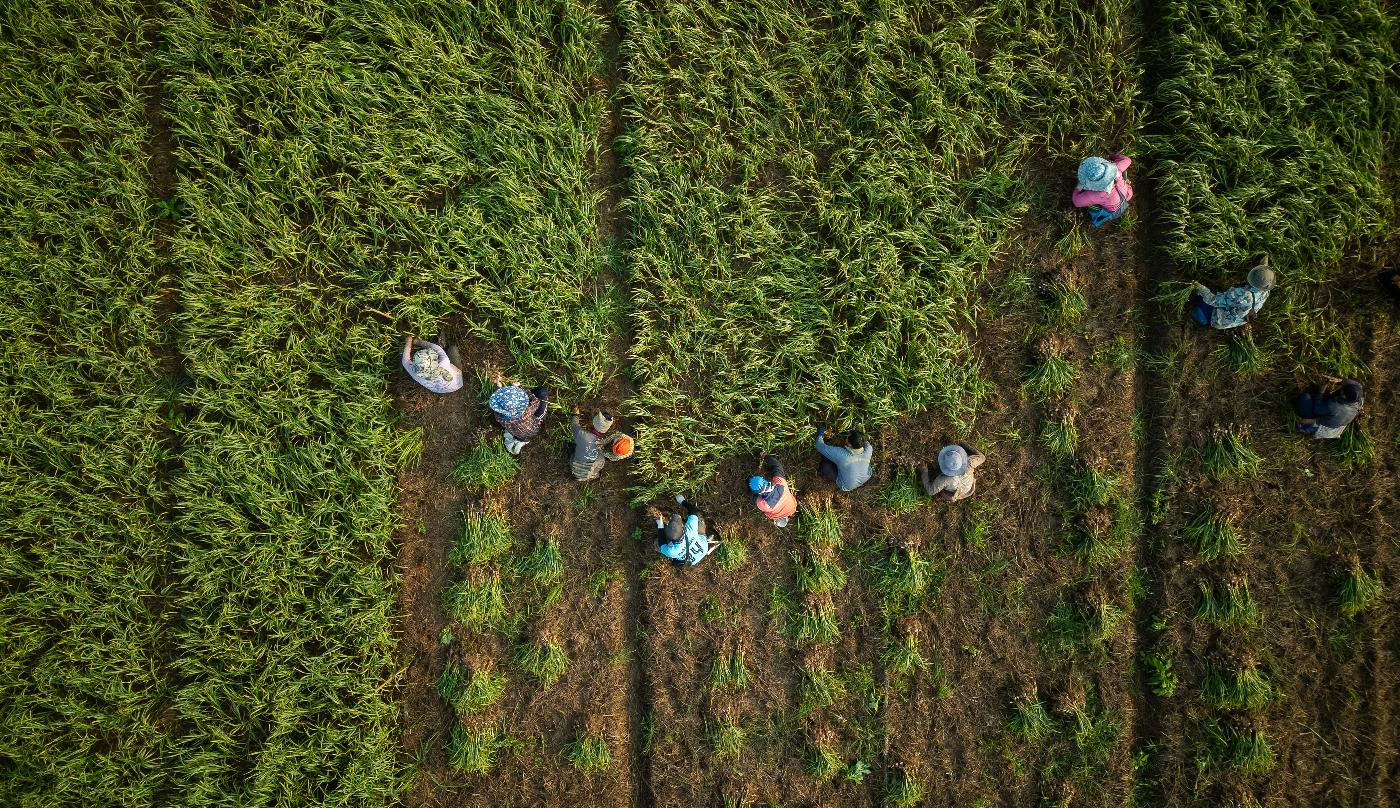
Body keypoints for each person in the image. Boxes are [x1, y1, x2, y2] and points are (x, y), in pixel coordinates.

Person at [1188, 259, 1276, 331]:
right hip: (1238, 319)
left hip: (1220, 319)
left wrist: (1199, 287)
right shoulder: (1266, 290)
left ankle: (1204, 319)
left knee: (1200, 299)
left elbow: (1212, 300)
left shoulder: (1242, 294)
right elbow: (1263, 277)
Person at [649, 496, 719, 567]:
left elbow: (661, 543)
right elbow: (693, 511)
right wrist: (683, 501)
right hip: (703, 547)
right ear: (682, 526)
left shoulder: (671, 551)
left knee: (656, 544)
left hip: (693, 559)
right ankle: (705, 536)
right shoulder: (691, 529)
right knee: (698, 518)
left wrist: (660, 526)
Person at [1072, 154, 1134, 227]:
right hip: (1127, 194)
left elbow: (1076, 202)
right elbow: (1127, 160)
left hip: (1114, 211)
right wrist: (1111, 156)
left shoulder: (1096, 194)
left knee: (1091, 203)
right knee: (1124, 172)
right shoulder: (1116, 169)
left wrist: (1078, 187)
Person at [488, 382, 549, 455]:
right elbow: (536, 401)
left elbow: (501, 403)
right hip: (534, 429)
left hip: (519, 435)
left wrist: (499, 388)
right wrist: (520, 386)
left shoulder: (499, 417)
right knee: (542, 390)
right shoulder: (527, 411)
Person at [1294, 377, 1364, 440]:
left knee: (1304, 397)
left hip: (1323, 424)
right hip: (1337, 419)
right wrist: (1340, 381)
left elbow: (1317, 409)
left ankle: (1306, 427)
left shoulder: (1336, 407)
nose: (1341, 390)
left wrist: (1321, 391)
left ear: (1345, 397)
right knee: (1331, 400)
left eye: (1343, 392)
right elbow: (1358, 385)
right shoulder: (1358, 400)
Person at [917, 443, 987, 502]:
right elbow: (982, 457)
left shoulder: (945, 480)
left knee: (933, 477)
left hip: (962, 491)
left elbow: (930, 491)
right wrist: (964, 444)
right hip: (968, 484)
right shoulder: (970, 462)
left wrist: (924, 472)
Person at [815, 427, 873, 493]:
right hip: (865, 477)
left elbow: (819, 445)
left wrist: (820, 435)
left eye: (847, 437)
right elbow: (865, 441)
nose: (846, 437)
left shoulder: (842, 455)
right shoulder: (869, 449)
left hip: (847, 486)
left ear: (850, 445)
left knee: (825, 466)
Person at [749, 453, 798, 528]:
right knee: (752, 497)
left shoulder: (782, 485)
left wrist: (765, 456)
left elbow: (777, 466)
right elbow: (753, 498)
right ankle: (751, 484)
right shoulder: (765, 505)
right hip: (768, 503)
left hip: (783, 493)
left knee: (777, 470)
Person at [571, 411, 614, 481]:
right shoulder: (603, 447)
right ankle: (592, 476)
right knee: (597, 466)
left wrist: (576, 415)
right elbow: (599, 466)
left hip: (575, 468)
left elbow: (574, 425)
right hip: (588, 474)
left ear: (594, 422)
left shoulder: (582, 435)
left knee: (571, 450)